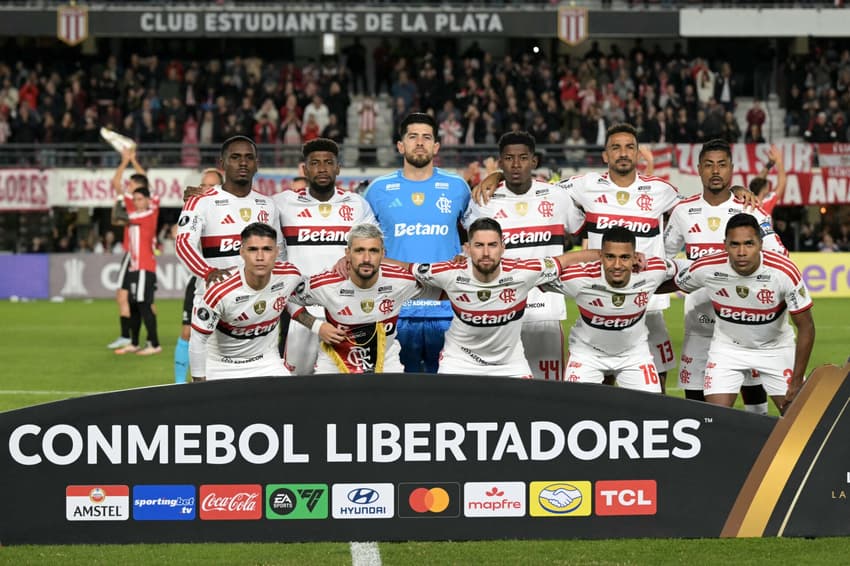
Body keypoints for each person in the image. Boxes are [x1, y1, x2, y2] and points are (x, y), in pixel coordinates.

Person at [664, 138, 787, 411]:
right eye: (709, 165)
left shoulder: (750, 209)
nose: (715, 171)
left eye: (722, 164)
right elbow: (664, 258)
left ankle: (761, 453)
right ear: (698, 169)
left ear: (731, 168)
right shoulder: (683, 211)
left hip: (744, 330)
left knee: (756, 406)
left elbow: (779, 256)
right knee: (697, 408)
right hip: (699, 325)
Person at [400, 217, 597, 378]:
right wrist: (374, 260)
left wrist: (614, 255)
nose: (486, 253)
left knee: (523, 419)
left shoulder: (523, 271)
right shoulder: (450, 272)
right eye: (479, 245)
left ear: (503, 247)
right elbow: (405, 270)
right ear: (467, 249)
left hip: (510, 364)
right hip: (459, 361)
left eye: (492, 245)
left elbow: (567, 259)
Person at [462, 131, 583, 380]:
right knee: (503, 395)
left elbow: (583, 230)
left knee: (551, 394)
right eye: (508, 158)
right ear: (500, 162)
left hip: (546, 314)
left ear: (534, 162)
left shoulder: (557, 196)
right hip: (499, 312)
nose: (516, 165)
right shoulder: (485, 199)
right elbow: (467, 245)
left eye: (523, 158)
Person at [671, 213, 815, 414]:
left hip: (775, 349)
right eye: (734, 244)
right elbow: (674, 283)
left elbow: (806, 326)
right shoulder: (707, 267)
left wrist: (797, 380)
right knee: (715, 417)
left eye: (749, 244)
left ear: (761, 244)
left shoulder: (783, 271)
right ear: (725, 245)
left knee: (797, 419)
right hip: (728, 349)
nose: (741, 252)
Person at [363, 112, 470, 373]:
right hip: (394, 304)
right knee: (396, 384)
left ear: (436, 146)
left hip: (446, 304)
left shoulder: (457, 187)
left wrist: (466, 252)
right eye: (412, 137)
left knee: (447, 381)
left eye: (426, 137)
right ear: (401, 145)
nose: (419, 143)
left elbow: (477, 235)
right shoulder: (377, 190)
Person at [176, 136, 283, 378]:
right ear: (222, 162)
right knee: (215, 395)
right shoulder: (200, 202)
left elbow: (280, 256)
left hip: (259, 310)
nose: (242, 163)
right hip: (214, 305)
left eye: (248, 158)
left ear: (257, 163)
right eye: (235, 157)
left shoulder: (268, 205)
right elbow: (183, 244)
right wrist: (208, 272)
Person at [273, 138, 376, 374]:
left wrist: (352, 257)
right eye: (315, 163)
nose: (322, 168)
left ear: (338, 167)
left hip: (348, 311)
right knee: (294, 388)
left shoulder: (357, 204)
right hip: (300, 313)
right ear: (305, 168)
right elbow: (245, 202)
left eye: (328, 162)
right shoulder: (283, 204)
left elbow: (376, 249)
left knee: (346, 387)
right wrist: (204, 195)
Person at [547, 226, 678, 392]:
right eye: (610, 257)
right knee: (576, 411)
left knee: (650, 412)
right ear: (600, 256)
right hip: (587, 355)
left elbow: (687, 272)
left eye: (624, 257)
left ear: (635, 257)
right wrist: (592, 254)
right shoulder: (578, 278)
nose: (617, 265)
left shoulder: (654, 270)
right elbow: (537, 273)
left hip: (634, 355)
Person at [289, 223, 425, 374]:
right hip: (334, 361)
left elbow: (444, 288)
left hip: (386, 360)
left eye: (373, 251)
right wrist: (317, 326)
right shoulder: (327, 284)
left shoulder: (402, 281)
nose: (366, 258)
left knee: (394, 398)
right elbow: (285, 296)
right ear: (347, 253)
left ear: (383, 254)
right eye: (359, 250)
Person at [189, 223, 302, 381]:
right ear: (242, 252)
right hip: (222, 365)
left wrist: (318, 326)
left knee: (288, 403)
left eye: (267, 249)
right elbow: (198, 339)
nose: (260, 257)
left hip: (267, 361)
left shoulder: (290, 276)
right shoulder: (220, 291)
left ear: (277, 252)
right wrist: (198, 383)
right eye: (253, 249)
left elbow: (303, 298)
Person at [174, 167, 224, 383]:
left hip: (228, 286)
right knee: (188, 333)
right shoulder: (196, 209)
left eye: (211, 186)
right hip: (201, 282)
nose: (205, 189)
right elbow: (182, 237)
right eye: (203, 185)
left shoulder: (233, 210)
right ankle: (178, 384)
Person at [106, 148, 155, 349]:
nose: (128, 186)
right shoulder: (136, 202)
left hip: (134, 255)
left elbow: (118, 182)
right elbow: (118, 183)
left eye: (132, 184)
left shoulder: (137, 204)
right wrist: (129, 161)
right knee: (142, 299)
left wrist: (128, 160)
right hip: (137, 254)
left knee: (125, 295)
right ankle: (139, 336)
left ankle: (129, 336)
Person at [112, 178, 162, 356]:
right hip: (135, 267)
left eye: (140, 199)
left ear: (148, 201)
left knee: (144, 304)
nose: (137, 203)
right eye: (135, 200)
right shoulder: (136, 215)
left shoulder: (147, 215)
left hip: (144, 267)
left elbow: (119, 216)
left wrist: (119, 199)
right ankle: (134, 342)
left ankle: (154, 344)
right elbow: (120, 217)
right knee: (133, 305)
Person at [749, 145, 786, 216]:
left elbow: (759, 180)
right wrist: (779, 160)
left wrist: (770, 163)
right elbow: (782, 183)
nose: (769, 190)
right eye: (768, 187)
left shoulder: (749, 202)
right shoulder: (765, 203)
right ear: (764, 190)